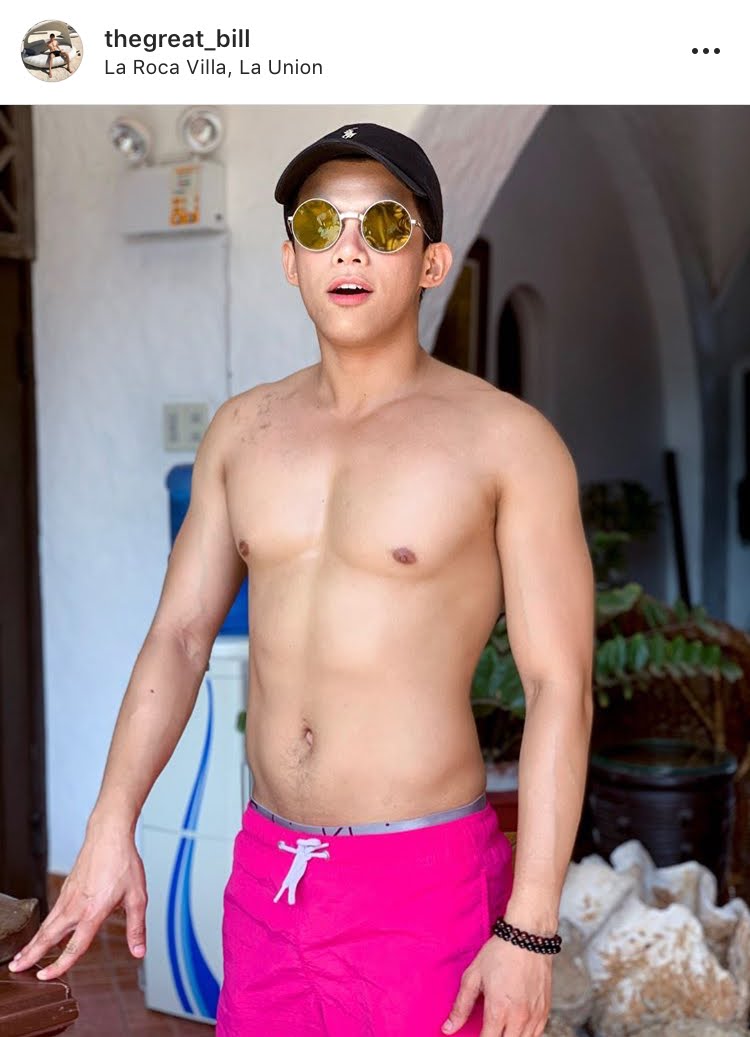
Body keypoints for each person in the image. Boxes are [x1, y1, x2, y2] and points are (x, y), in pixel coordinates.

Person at [9, 123, 594, 1036]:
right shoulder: (243, 432)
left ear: (432, 262)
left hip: (422, 883)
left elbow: (561, 683)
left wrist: (530, 926)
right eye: (322, 224)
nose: (349, 248)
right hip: (269, 874)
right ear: (292, 259)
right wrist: (111, 821)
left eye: (384, 227)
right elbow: (179, 637)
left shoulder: (508, 443)